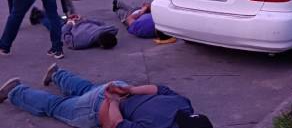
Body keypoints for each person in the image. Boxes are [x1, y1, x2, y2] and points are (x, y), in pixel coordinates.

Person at [0, 63, 214, 128]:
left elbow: (159, 89)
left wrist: (127, 89)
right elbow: (118, 124)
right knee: (57, 106)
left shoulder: (184, 105)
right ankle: (16, 91)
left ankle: (58, 74)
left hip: (121, 89)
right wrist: (112, 100)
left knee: (89, 89)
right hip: (106, 107)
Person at [30, 8, 118, 50]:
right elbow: (66, 37)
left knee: (60, 20)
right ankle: (39, 17)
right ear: (101, 45)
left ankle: (41, 13)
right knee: (56, 24)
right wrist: (70, 24)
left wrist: (83, 20)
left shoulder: (108, 29)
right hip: (72, 26)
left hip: (78, 23)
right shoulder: (82, 42)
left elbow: (103, 24)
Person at [112, 0, 176, 44]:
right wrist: (145, 9)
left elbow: (129, 19)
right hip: (139, 12)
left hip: (135, 14)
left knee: (123, 12)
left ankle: (117, 6)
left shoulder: (143, 30)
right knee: (128, 10)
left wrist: (142, 11)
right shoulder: (145, 31)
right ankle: (118, 6)